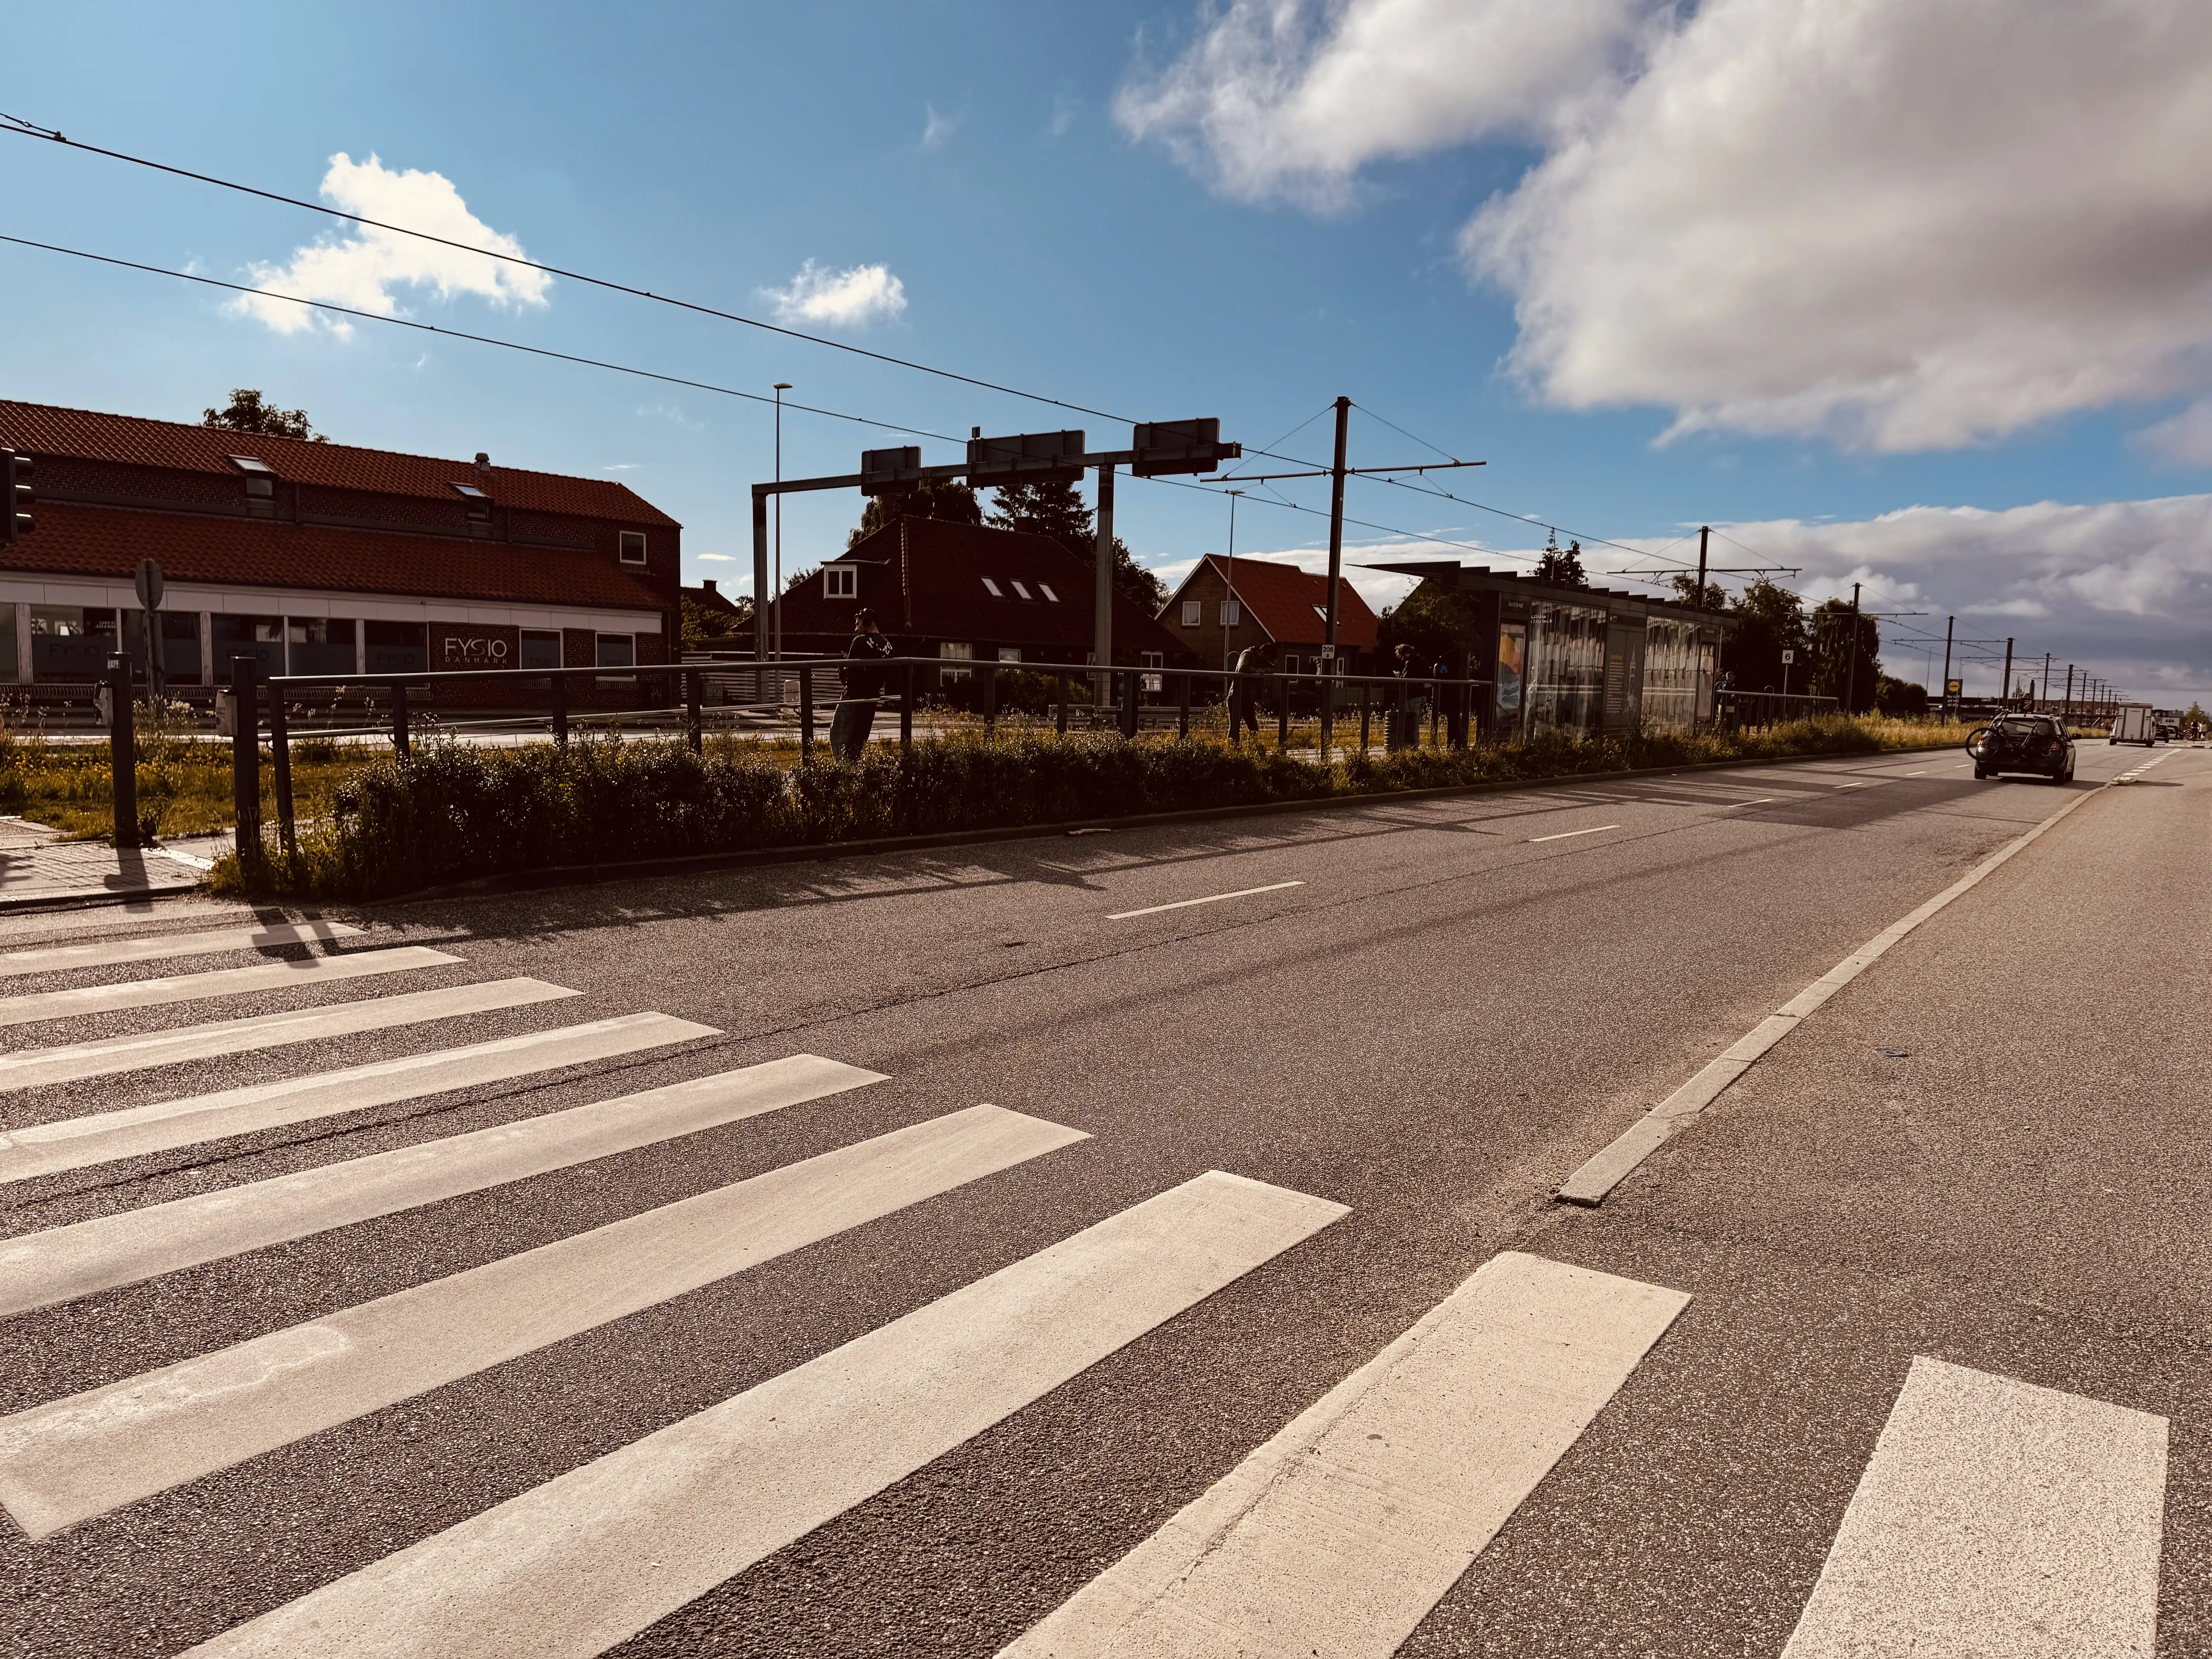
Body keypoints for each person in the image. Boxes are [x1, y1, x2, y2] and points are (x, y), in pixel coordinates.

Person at [830, 609, 893, 761]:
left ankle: (841, 771)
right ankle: (854, 769)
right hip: (872, 699)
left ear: (867, 622)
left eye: (858, 623)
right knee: (858, 739)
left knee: (838, 734)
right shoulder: (889, 647)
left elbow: (849, 670)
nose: (856, 628)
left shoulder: (860, 641)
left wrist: (842, 670)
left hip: (853, 697)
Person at [1231, 639, 1273, 744]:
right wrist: (1257, 671)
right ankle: (1232, 751)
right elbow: (1242, 667)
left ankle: (1251, 751)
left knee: (1253, 728)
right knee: (1235, 728)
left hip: (1247, 698)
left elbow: (1271, 667)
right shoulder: (1248, 654)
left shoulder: (1259, 660)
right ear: (1262, 653)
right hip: (1237, 696)